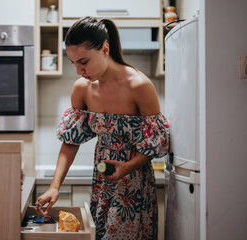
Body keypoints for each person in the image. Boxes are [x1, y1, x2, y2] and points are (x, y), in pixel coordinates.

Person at [34, 16, 170, 240]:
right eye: (74, 63)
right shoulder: (82, 89)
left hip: (135, 186)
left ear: (105, 49)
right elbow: (70, 142)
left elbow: (155, 144)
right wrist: (54, 187)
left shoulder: (140, 85)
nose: (79, 71)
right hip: (102, 184)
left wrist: (127, 167)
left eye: (84, 62)